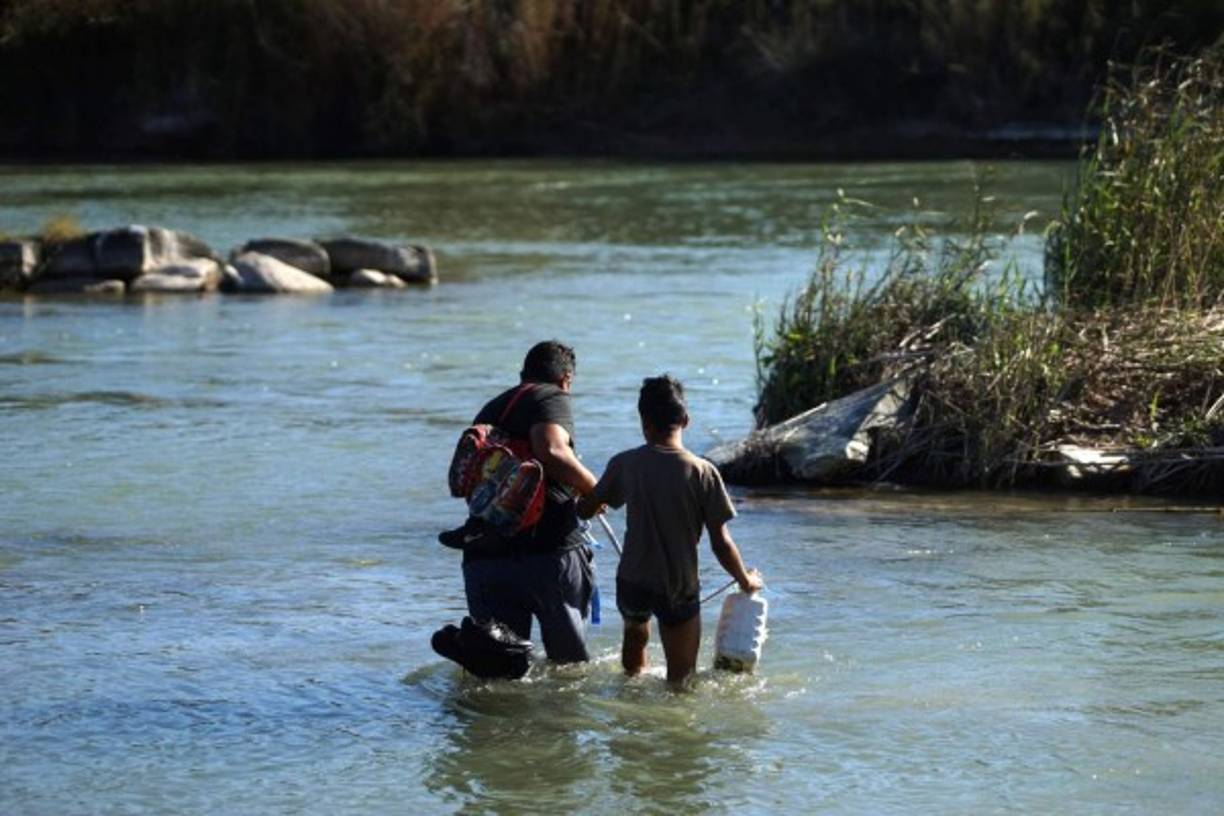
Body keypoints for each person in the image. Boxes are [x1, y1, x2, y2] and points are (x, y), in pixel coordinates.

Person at [578, 374, 763, 685]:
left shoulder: (625, 464)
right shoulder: (702, 472)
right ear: (686, 420)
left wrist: (591, 500)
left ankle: (632, 698)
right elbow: (721, 542)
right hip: (677, 586)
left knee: (635, 645)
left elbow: (586, 509)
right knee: (681, 681)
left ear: (643, 422)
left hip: (632, 581)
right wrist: (745, 579)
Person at [457, 340, 598, 663]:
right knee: (569, 669)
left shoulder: (491, 409)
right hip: (548, 552)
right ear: (566, 380)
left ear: (522, 374)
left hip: (485, 554)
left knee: (498, 668)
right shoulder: (551, 396)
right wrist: (594, 489)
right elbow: (551, 450)